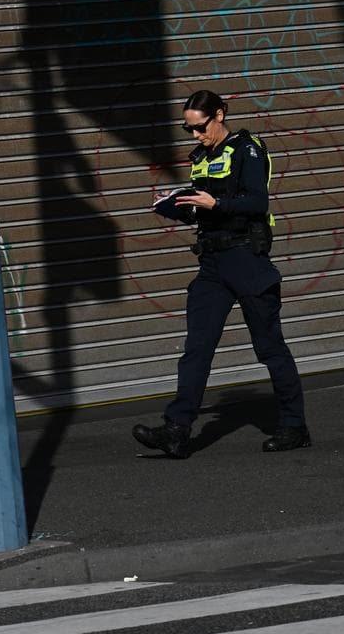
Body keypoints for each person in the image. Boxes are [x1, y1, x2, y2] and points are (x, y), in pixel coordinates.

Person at [132, 90, 310, 458]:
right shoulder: (200, 158)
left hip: (247, 258)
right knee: (196, 349)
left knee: (269, 347)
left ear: (220, 115)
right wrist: (175, 206)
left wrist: (217, 203)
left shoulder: (247, 149)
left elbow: (257, 202)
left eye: (200, 127)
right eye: (189, 130)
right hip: (212, 263)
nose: (195, 136)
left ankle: (294, 426)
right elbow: (202, 210)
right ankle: (176, 431)